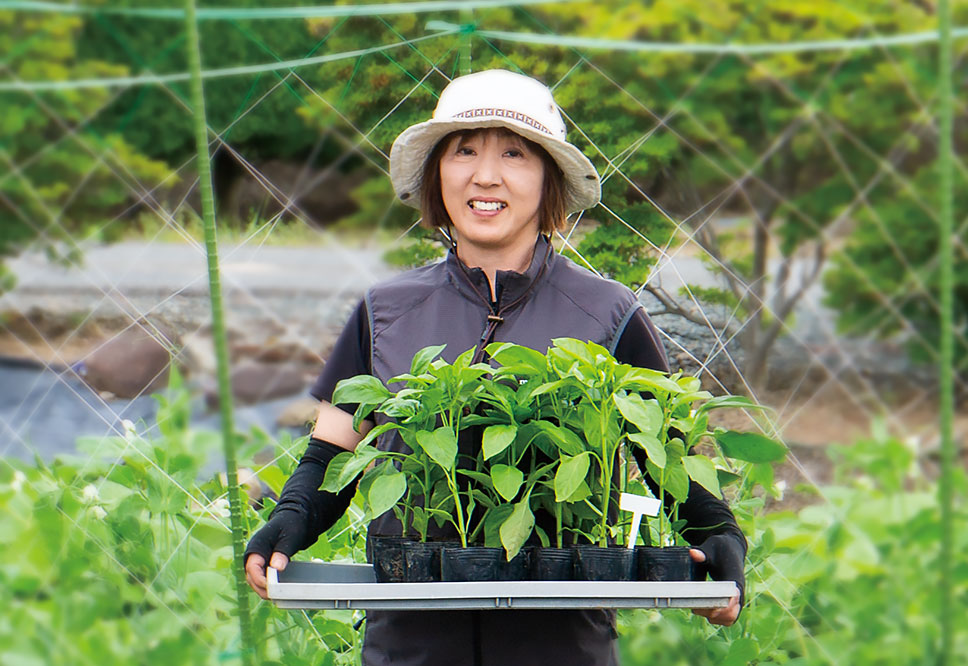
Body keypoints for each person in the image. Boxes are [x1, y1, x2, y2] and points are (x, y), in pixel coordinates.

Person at [245, 69, 746, 666]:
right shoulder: (386, 311)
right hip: (412, 642)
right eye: (464, 151)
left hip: (561, 646)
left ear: (547, 180)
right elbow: (333, 455)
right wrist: (290, 519)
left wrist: (719, 536)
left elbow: (667, 456)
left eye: (514, 152)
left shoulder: (608, 313)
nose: (486, 175)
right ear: (439, 176)